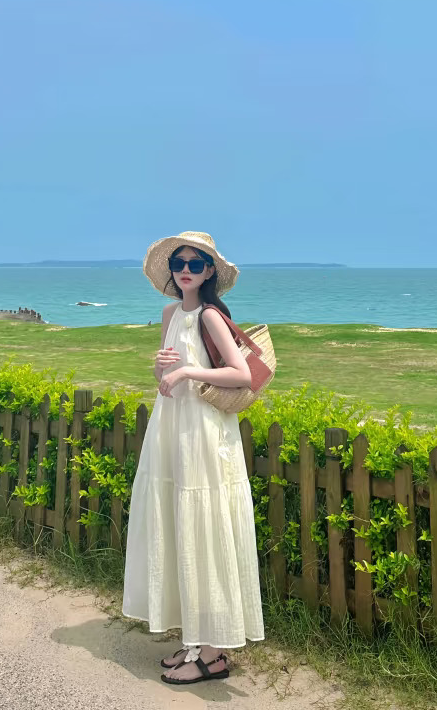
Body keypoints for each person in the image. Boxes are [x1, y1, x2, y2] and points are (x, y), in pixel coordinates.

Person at [122, 232, 264, 685]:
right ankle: (196, 639)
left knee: (206, 526)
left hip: (204, 431)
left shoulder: (210, 315)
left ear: (208, 272)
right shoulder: (170, 314)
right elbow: (164, 375)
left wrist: (185, 369)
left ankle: (214, 652)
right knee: (179, 524)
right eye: (178, 263)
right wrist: (163, 366)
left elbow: (241, 374)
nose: (185, 269)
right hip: (172, 427)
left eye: (195, 263)